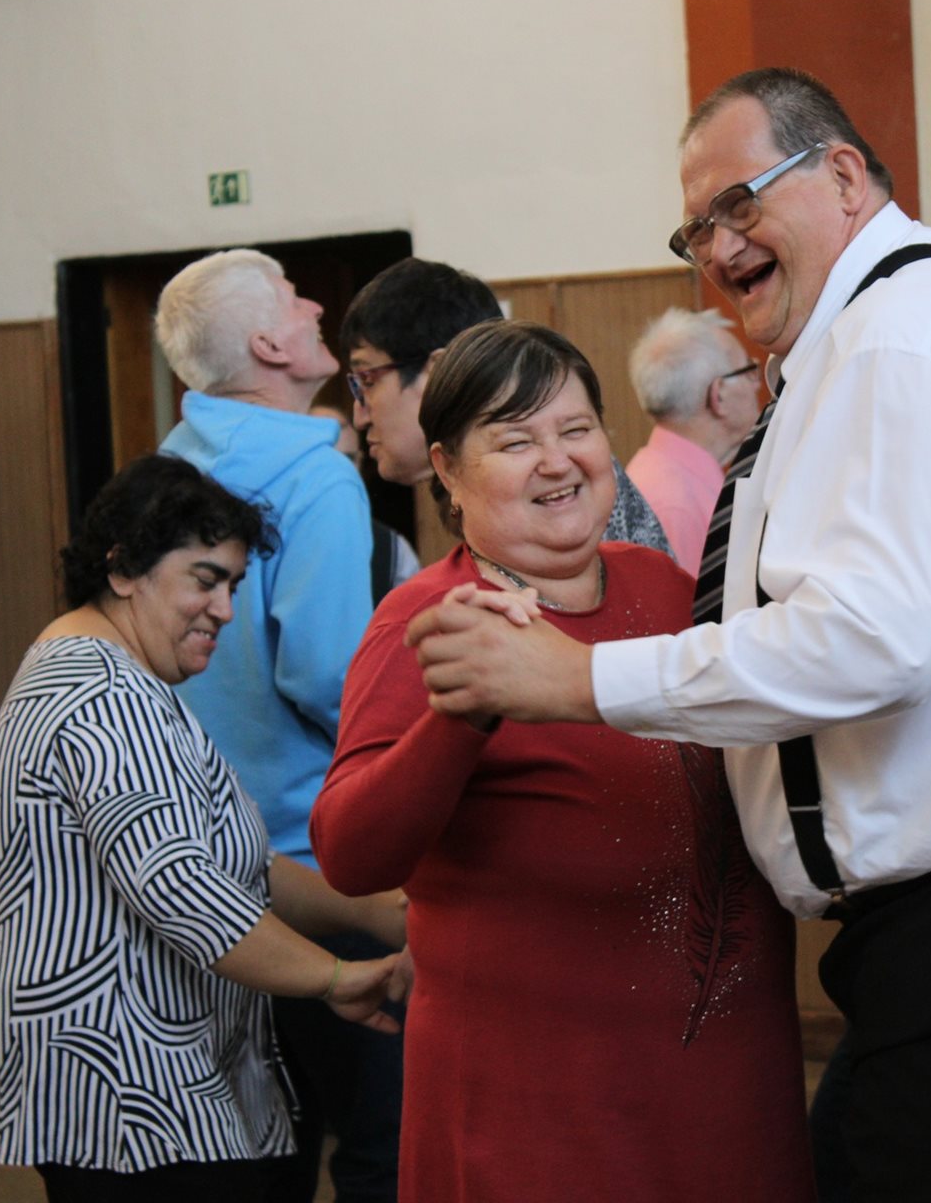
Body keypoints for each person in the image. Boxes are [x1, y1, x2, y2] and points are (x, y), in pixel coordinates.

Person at [405, 66, 931, 1202]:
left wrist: (579, 679)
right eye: (695, 228)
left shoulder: (899, 339)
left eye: (740, 204)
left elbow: (878, 638)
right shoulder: (870, 336)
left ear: (842, 175)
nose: (717, 247)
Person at [311, 320, 814, 1202]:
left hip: (729, 1076)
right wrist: (462, 718)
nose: (557, 461)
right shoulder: (432, 619)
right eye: (515, 441)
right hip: (544, 1107)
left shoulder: (663, 584)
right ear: (447, 470)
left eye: (575, 429)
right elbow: (352, 854)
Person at [0, 454, 409, 1203]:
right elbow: (184, 890)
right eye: (205, 581)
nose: (225, 610)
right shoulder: (102, 694)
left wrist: (372, 911)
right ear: (123, 570)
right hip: (126, 1095)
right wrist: (336, 978)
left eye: (233, 585)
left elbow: (239, 864)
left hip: (151, 1092)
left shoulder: (127, 677)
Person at [153, 249, 395, 1201]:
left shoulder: (168, 468)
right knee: (379, 1140)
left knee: (261, 1147)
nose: (315, 305)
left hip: (207, 858)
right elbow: (331, 676)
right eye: (295, 299)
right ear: (267, 344)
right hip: (317, 862)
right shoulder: (315, 476)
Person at [340, 256, 675, 555]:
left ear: (437, 371)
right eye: (516, 444)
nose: (359, 415)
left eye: (367, 379)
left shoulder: (568, 493)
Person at [624, 307, 765, 573]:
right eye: (748, 369)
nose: (756, 384)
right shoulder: (677, 507)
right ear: (718, 395)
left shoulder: (667, 474)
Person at [311, 401, 420, 603]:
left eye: (348, 459)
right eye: (325, 456)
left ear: (360, 462)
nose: (339, 471)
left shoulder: (392, 551)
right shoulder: (266, 543)